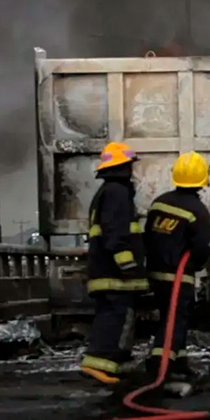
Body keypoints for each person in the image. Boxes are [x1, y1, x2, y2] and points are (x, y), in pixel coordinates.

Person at [143, 151, 210, 385]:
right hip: (179, 276)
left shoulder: (159, 202)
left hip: (155, 272)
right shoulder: (198, 210)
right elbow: (202, 248)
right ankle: (159, 363)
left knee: (169, 316)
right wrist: (196, 264)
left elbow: (148, 236)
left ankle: (180, 362)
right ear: (203, 178)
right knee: (176, 320)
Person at [80, 142, 147, 384]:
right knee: (114, 317)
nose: (132, 170)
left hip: (106, 271)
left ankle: (115, 362)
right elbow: (114, 234)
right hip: (114, 273)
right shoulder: (117, 192)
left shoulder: (108, 192)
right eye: (129, 165)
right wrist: (128, 266)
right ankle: (98, 363)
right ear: (122, 167)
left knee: (115, 316)